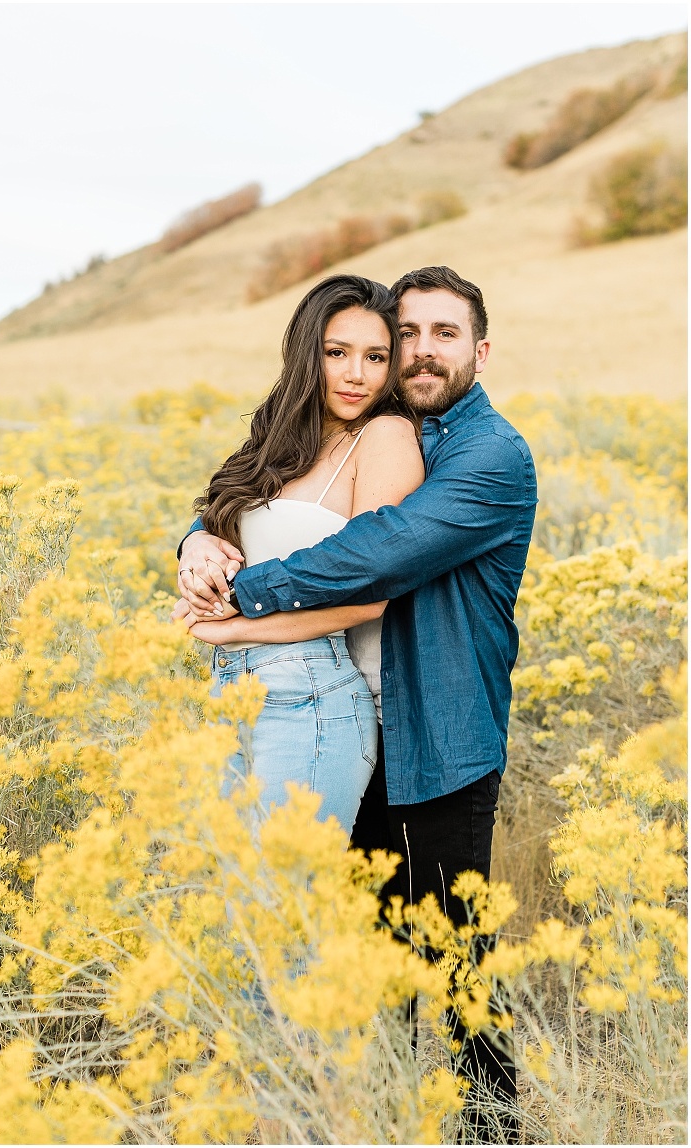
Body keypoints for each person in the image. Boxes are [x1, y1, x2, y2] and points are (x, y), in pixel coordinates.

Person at [176, 265, 537, 1142]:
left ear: (480, 351)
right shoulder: (368, 429)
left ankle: (492, 1133)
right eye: (402, 337)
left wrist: (241, 605)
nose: (415, 353)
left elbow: (375, 555)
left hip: (440, 740)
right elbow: (257, 499)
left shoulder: (488, 456)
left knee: (455, 973)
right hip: (362, 722)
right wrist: (194, 541)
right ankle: (372, 1120)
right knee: (366, 963)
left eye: (440, 336)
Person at [173, 273, 424, 836]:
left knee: (286, 906)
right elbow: (221, 522)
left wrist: (236, 629)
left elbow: (372, 594)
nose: (357, 374)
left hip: (310, 697)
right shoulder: (280, 439)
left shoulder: (384, 437)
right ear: (308, 353)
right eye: (337, 352)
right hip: (227, 689)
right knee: (234, 901)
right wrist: (196, 549)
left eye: (376, 357)